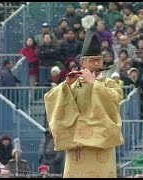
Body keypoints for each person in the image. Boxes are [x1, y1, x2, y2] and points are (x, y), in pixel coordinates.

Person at [44, 27, 124, 178]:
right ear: (82, 62)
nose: (95, 64)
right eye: (92, 60)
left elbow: (115, 98)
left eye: (98, 60)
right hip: (78, 142)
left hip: (102, 141)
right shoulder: (74, 83)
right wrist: (66, 85)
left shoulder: (109, 83)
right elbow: (52, 99)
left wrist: (94, 83)